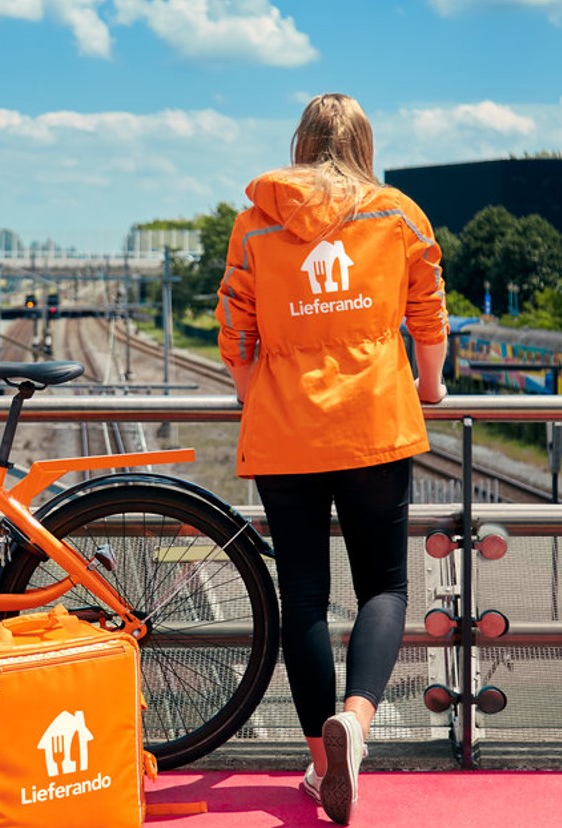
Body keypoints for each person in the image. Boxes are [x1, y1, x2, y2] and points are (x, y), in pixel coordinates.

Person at [214, 93, 448, 825]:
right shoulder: (398, 214)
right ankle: (359, 720)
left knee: (304, 597)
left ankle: (323, 764)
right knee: (383, 586)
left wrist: (264, 398)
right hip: (375, 419)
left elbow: (235, 330)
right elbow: (428, 314)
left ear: (301, 141)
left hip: (288, 431)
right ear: (364, 144)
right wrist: (431, 384)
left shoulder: (257, 222)